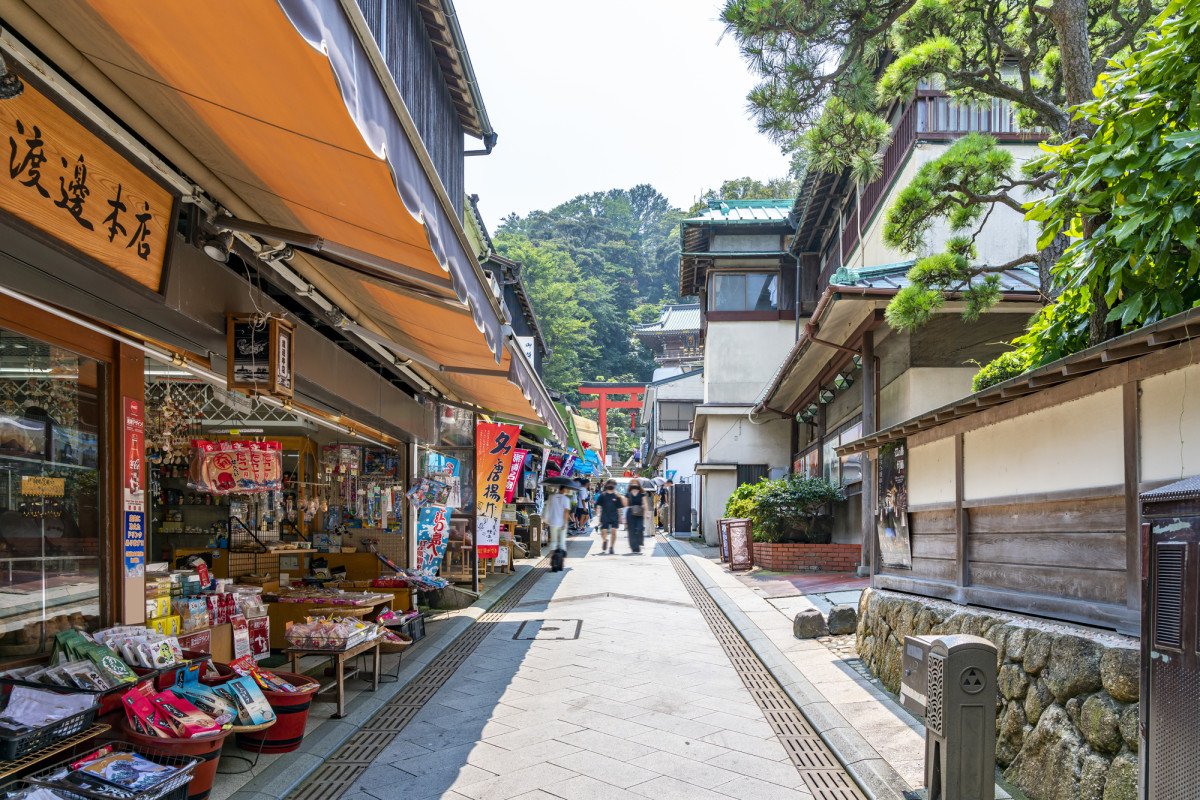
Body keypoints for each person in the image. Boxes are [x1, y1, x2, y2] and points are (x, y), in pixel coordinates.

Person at [593, 479, 626, 555]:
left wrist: (621, 516)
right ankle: (605, 540)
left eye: (613, 484)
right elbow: (598, 505)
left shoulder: (617, 495)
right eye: (610, 484)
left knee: (613, 532)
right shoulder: (603, 495)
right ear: (607, 485)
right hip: (604, 516)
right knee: (603, 533)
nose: (612, 485)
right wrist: (597, 513)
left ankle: (611, 547)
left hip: (614, 516)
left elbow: (620, 507)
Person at [544, 485, 573, 565]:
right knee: (562, 543)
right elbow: (566, 512)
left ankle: (554, 560)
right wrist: (564, 523)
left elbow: (548, 508)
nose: (567, 490)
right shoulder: (566, 499)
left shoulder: (551, 497)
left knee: (553, 541)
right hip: (562, 523)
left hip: (553, 522)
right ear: (563, 489)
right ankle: (560, 562)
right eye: (567, 488)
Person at [626, 482, 646, 553]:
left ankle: (640, 542)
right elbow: (626, 505)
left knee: (640, 528)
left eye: (636, 484)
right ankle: (634, 547)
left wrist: (647, 513)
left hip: (639, 514)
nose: (634, 485)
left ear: (638, 485)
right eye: (633, 484)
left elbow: (645, 503)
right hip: (630, 513)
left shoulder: (641, 493)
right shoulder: (628, 494)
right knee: (632, 531)